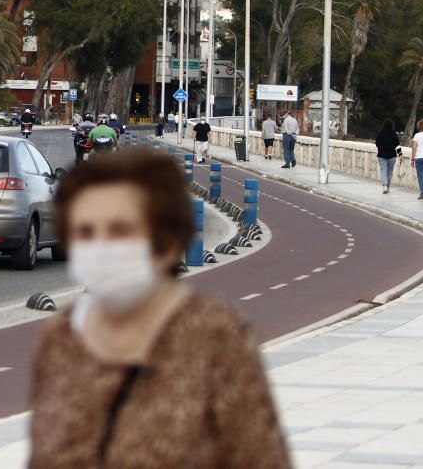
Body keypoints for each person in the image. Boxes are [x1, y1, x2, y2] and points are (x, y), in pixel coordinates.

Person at [28, 152, 291, 469]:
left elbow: (260, 458)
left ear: (166, 243)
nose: (100, 247)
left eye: (120, 230)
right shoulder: (60, 338)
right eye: (85, 232)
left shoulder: (217, 338)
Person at [375, 119, 399, 195]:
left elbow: (377, 143)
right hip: (392, 156)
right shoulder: (394, 134)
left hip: (381, 155)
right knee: (389, 172)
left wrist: (381, 148)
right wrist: (400, 154)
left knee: (383, 170)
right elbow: (397, 145)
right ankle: (388, 186)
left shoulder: (380, 133)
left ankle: (385, 185)